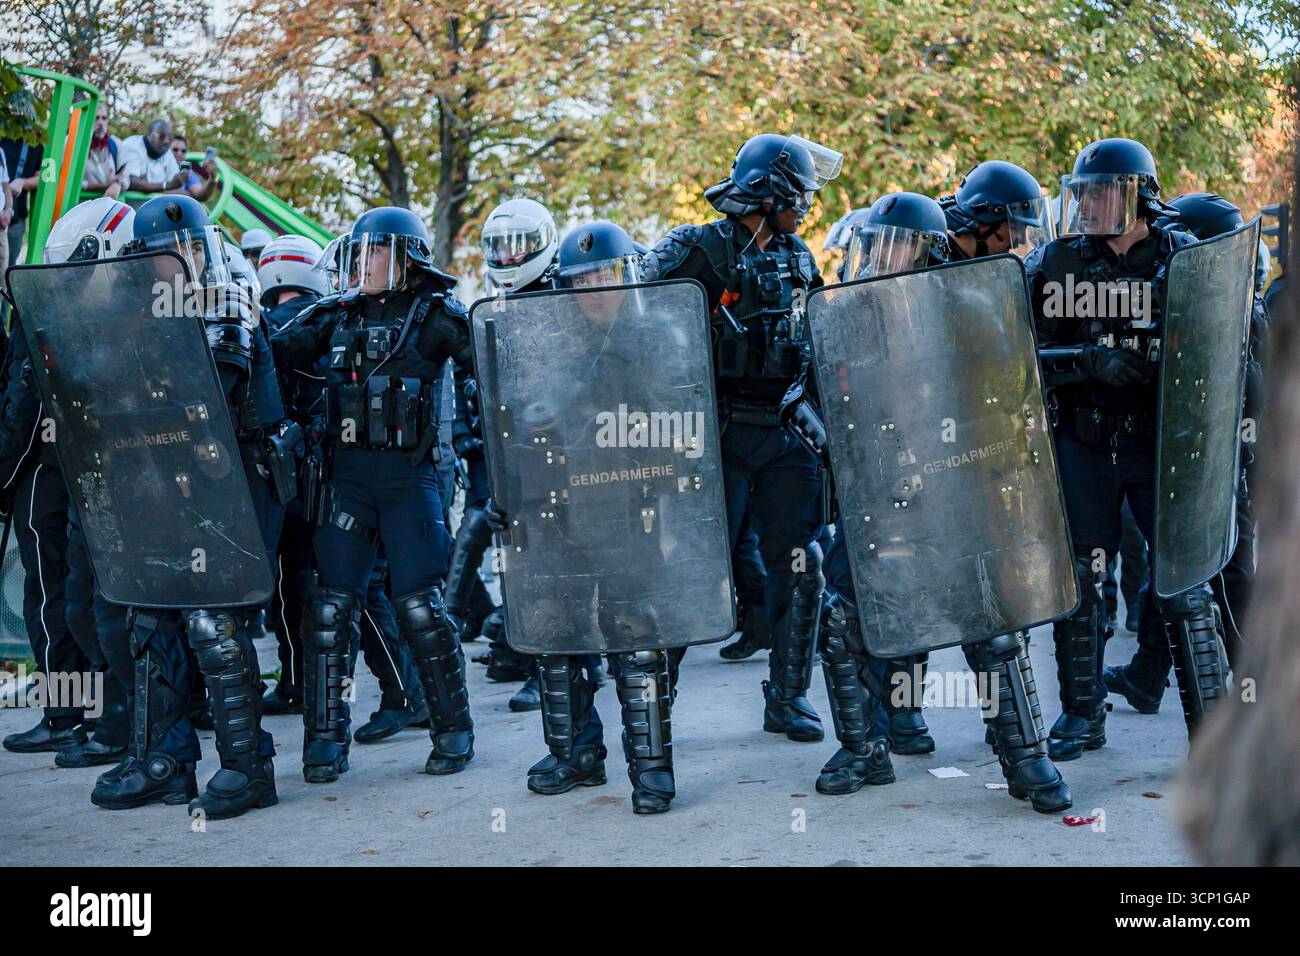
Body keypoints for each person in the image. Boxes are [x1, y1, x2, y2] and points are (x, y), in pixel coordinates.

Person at [488, 220, 729, 813]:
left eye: (605, 275)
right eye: (582, 278)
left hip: (627, 508)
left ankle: (650, 769)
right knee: (555, 630)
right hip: (553, 508)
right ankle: (575, 754)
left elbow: (685, 426)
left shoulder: (660, 337)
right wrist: (507, 487)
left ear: (627, 279)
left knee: (635, 635)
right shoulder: (542, 335)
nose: (594, 286)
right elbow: (508, 420)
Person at [1026, 138, 1232, 760]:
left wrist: (1166, 359)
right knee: (1085, 585)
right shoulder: (1057, 262)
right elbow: (1019, 354)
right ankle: (1082, 715)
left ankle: (1212, 739)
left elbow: (1221, 347)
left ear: (1135, 193)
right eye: (1082, 192)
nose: (1086, 203)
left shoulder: (1183, 257)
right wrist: (1084, 359)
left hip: (1159, 447)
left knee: (1183, 586)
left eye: (1099, 191)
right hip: (1085, 441)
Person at [644, 133, 839, 743]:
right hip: (713, 435)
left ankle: (788, 696)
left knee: (801, 564)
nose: (806, 203)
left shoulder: (800, 256)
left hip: (781, 430)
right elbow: (636, 327)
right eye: (799, 191)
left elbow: (813, 340)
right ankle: (653, 701)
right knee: (691, 572)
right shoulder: (693, 248)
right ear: (769, 188)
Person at [270, 206, 475, 782]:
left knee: (419, 608)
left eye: (375, 252)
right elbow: (280, 350)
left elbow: (489, 366)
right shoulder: (335, 315)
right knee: (331, 608)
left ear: (405, 256)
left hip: (411, 480)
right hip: (348, 482)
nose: (362, 264)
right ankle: (324, 742)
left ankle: (453, 731)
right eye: (357, 253)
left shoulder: (435, 316)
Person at [255, 235, 429, 741]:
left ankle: (377, 694)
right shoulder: (337, 315)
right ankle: (402, 693)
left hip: (292, 483)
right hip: (341, 477)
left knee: (311, 592)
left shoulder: (277, 325)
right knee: (351, 592)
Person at [1105, 192, 1267, 710]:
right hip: (1199, 460)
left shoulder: (1235, 309)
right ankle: (1148, 676)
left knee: (1229, 573)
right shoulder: (1212, 301)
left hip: (1226, 465)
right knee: (1172, 569)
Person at [0, 199, 137, 757]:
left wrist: (2, 476)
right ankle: (90, 713)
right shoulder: (114, 306)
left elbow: (22, 407)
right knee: (70, 598)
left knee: (57, 597)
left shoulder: (58, 313)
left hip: (48, 470)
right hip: (65, 469)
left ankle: (68, 715)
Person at [446, 198, 561, 713]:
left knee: (549, 562)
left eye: (519, 248)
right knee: (507, 555)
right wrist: (470, 441)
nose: (510, 259)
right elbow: (473, 385)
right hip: (502, 457)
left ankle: (555, 663)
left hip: (557, 459)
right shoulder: (490, 312)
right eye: (500, 250)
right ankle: (512, 643)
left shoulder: (561, 302)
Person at [1, 134, 44, 264]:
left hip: (15, 217)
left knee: (8, 267)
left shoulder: (36, 145)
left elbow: (44, 177)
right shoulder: (2, 137)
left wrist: (23, 182)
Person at [117, 120, 184, 195]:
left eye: (170, 137)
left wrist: (147, 186)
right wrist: (167, 185)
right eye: (161, 136)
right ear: (149, 134)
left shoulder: (166, 151)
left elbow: (177, 187)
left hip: (156, 204)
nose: (166, 141)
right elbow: (132, 183)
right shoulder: (132, 147)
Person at [81, 104, 123, 200]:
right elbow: (69, 181)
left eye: (104, 118)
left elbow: (126, 176)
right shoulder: (77, 144)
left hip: (108, 205)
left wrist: (118, 184)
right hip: (81, 204)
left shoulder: (115, 143)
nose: (100, 122)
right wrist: (104, 185)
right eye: (96, 118)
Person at [167, 135, 218, 202]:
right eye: (175, 150)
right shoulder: (156, 167)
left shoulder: (189, 174)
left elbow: (201, 196)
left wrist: (213, 178)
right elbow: (150, 189)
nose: (179, 153)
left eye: (183, 151)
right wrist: (188, 195)